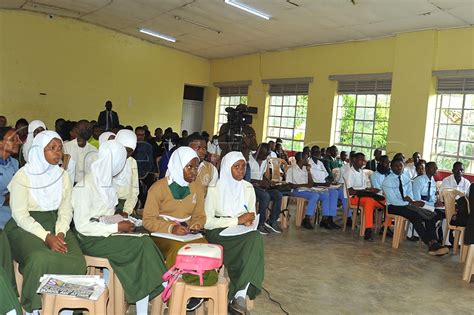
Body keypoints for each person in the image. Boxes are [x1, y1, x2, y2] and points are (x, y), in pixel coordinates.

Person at [72, 140, 166, 314]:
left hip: (105, 233)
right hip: (89, 239)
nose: (122, 166)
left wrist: (119, 222)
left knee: (145, 238)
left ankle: (154, 290)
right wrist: (116, 228)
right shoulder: (84, 186)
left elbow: (105, 215)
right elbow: (83, 226)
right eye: (120, 162)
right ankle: (161, 285)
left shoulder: (106, 182)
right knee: (141, 245)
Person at [5, 131, 86, 312]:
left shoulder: (63, 176)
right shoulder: (23, 176)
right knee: (39, 258)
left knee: (77, 260)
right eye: (52, 148)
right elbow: (20, 215)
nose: (58, 153)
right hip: (24, 227)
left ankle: (66, 308)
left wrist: (60, 233)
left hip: (56, 223)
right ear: (39, 150)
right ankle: (34, 308)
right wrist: (46, 236)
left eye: (60, 149)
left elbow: (65, 210)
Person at [143, 147, 217, 310]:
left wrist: (196, 224)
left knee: (204, 248)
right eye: (189, 167)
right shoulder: (158, 188)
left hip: (186, 232)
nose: (194, 172)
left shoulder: (196, 187)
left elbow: (200, 215)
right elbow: (148, 220)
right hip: (162, 234)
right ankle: (177, 293)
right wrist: (171, 228)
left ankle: (200, 287)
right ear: (177, 165)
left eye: (196, 167)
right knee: (179, 249)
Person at [204, 152, 264, 314]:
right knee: (251, 244)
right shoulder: (215, 188)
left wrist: (249, 220)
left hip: (241, 231)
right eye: (236, 167)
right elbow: (207, 222)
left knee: (254, 237)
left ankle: (240, 294)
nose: (241, 170)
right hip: (218, 232)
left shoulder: (247, 187)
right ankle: (238, 295)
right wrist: (236, 221)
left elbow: (250, 212)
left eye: (243, 166)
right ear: (226, 168)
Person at [382, 159, 449, 256]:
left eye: (401, 165)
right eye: (396, 166)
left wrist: (411, 201)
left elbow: (410, 193)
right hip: (393, 206)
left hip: (407, 204)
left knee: (429, 214)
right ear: (391, 168)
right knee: (416, 215)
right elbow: (394, 201)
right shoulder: (387, 181)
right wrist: (410, 203)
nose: (399, 168)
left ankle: (434, 242)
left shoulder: (405, 177)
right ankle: (430, 243)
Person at [287, 152, 338, 230]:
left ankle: (324, 219)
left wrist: (308, 171)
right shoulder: (291, 169)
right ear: (301, 159)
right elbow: (290, 185)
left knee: (325, 195)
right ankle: (306, 219)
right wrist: (304, 185)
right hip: (296, 191)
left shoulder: (306, 169)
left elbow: (310, 183)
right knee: (315, 195)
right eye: (306, 158)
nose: (308, 160)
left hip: (307, 190)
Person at [343, 152, 381, 241]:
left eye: (364, 160)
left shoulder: (362, 172)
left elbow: (364, 187)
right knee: (369, 201)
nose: (363, 162)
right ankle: (368, 229)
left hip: (363, 196)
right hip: (353, 198)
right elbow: (351, 190)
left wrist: (370, 190)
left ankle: (385, 227)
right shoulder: (349, 172)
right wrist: (365, 191)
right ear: (355, 160)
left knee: (384, 201)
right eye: (361, 160)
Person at [248, 143, 283, 234]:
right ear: (258, 151)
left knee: (278, 194)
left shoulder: (264, 161)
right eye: (264, 154)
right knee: (265, 196)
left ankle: (272, 221)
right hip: (250, 187)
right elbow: (246, 179)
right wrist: (260, 182)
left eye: (267, 154)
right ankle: (260, 223)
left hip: (260, 186)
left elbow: (262, 174)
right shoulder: (249, 160)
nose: (266, 157)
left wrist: (268, 181)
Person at [309, 146, 345, 228]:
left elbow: (326, 176)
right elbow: (311, 181)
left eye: (318, 151)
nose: (317, 153)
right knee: (328, 194)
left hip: (323, 186)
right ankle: (325, 219)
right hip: (314, 187)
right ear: (311, 153)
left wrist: (329, 181)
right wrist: (324, 184)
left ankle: (329, 218)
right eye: (315, 152)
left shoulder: (321, 163)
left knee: (335, 192)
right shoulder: (309, 164)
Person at [63, 120, 98, 184]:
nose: (88, 130)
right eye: (86, 127)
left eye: (90, 128)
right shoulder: (67, 147)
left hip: (87, 186)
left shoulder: (94, 150)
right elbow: (64, 169)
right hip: (70, 184)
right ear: (77, 130)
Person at [114, 129, 139, 215]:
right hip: (108, 205)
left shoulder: (132, 162)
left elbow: (134, 190)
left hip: (127, 204)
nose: (126, 154)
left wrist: (127, 211)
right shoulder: (108, 160)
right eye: (124, 149)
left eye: (130, 151)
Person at [0, 127, 21, 229]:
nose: (18, 142)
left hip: (12, 205)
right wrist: (5, 198)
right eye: (12, 140)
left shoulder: (14, 163)